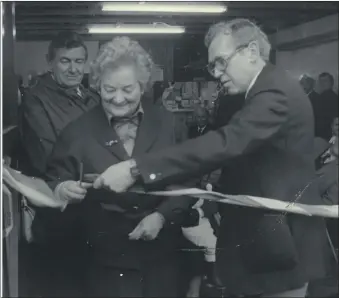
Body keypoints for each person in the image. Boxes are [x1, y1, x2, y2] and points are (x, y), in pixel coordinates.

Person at [93, 19, 329, 297]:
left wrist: (135, 169)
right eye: (212, 65)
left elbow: (227, 142)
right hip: (265, 244)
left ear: (251, 51)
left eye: (221, 62)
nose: (216, 73)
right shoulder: (253, 92)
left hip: (281, 249)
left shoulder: (275, 93)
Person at [44, 36, 194, 297]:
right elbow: (53, 181)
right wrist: (62, 188)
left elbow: (189, 180)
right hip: (103, 262)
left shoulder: (169, 125)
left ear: (143, 85)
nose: (118, 98)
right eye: (108, 89)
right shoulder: (75, 133)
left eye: (128, 89)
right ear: (97, 85)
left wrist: (162, 217)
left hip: (162, 258)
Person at [19, 31, 99, 297]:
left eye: (79, 61)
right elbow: (48, 156)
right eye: (65, 61)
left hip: (94, 204)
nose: (74, 68)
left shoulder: (91, 97)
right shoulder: (36, 99)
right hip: (62, 208)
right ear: (50, 62)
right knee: (65, 284)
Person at [314, 72, 338, 141]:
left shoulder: (329, 98)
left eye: (325, 81)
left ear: (331, 82)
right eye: (321, 81)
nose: (322, 84)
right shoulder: (319, 97)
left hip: (325, 134)